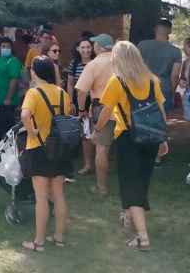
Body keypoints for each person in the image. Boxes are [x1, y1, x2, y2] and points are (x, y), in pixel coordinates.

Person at [94, 41, 168, 251]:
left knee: (131, 185)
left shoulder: (116, 82)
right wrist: (163, 139)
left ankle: (142, 237)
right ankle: (128, 216)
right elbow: (161, 112)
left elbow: (105, 113)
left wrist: (97, 129)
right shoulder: (153, 81)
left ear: (117, 59)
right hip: (151, 138)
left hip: (128, 139)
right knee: (142, 181)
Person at [20, 56, 72, 252]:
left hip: (38, 148)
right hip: (59, 148)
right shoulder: (62, 93)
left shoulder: (33, 93)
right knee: (59, 195)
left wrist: (32, 130)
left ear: (34, 72)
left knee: (41, 197)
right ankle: (58, 237)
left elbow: (25, 115)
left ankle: (39, 242)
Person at [75, 34, 116, 193]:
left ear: (99, 46)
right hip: (123, 109)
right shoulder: (121, 61)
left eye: (94, 45)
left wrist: (81, 109)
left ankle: (101, 187)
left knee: (101, 148)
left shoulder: (93, 64)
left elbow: (81, 91)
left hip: (102, 109)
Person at [138, 18, 182, 113]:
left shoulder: (141, 45)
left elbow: (134, 66)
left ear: (155, 29)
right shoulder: (175, 51)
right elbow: (174, 76)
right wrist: (172, 92)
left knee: (141, 118)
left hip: (142, 87)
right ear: (170, 31)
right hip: (163, 90)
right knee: (160, 119)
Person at [66, 38, 95, 180]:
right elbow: (70, 84)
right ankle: (87, 164)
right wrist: (71, 101)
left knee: (95, 132)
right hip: (79, 100)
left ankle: (95, 161)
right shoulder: (74, 63)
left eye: (88, 47)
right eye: (83, 47)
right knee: (85, 133)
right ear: (78, 49)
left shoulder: (95, 62)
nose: (86, 50)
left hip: (95, 100)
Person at [0, 37, 23, 140]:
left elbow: (14, 80)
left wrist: (8, 98)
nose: (5, 48)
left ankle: (9, 145)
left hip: (8, 100)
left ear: (11, 48)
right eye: (3, 46)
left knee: (7, 124)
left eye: (8, 46)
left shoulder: (13, 61)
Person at [180, 38, 190, 121]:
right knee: (187, 118)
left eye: (185, 46)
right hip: (187, 93)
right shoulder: (185, 62)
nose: (183, 49)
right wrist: (182, 82)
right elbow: (183, 78)